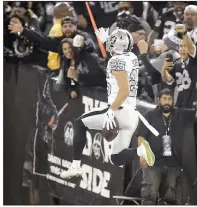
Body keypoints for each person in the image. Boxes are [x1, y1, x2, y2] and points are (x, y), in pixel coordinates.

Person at [59, 28, 158, 179]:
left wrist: (111, 111)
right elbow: (119, 56)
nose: (108, 46)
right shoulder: (131, 57)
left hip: (119, 110)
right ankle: (140, 150)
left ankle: (75, 166)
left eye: (111, 43)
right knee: (116, 158)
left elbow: (123, 90)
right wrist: (107, 41)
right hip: (131, 116)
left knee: (79, 124)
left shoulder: (116, 61)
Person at [138, 88, 197, 205]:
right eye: (164, 98)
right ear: (158, 100)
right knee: (149, 196)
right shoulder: (149, 116)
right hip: (153, 163)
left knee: (171, 198)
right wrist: (142, 155)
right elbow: (141, 137)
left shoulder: (179, 114)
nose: (167, 101)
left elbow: (195, 114)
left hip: (172, 164)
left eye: (169, 99)